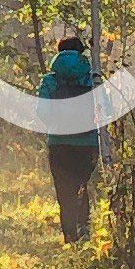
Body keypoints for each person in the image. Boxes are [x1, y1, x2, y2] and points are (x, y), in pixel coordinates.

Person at [36, 33, 103, 251]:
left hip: (59, 143)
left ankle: (69, 238)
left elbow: (42, 113)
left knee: (65, 191)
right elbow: (105, 111)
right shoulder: (92, 78)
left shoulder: (49, 80)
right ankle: (84, 232)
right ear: (82, 52)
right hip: (88, 143)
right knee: (82, 187)